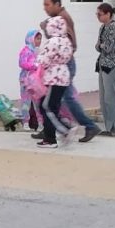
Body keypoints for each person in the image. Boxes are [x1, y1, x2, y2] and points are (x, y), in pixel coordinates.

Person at [41, 0, 101, 143]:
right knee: (55, 99)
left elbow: (66, 44)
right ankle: (51, 128)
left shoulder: (62, 19)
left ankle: (85, 126)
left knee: (64, 98)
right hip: (61, 65)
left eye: (47, 4)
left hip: (61, 65)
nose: (45, 8)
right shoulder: (59, 18)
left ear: (57, 4)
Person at [37, 16, 76, 148]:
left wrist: (38, 60)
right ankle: (53, 135)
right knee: (52, 107)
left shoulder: (52, 41)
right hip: (64, 76)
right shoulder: (66, 41)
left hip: (53, 77)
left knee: (46, 106)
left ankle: (59, 133)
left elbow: (44, 60)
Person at [95, 3, 115, 137]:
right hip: (103, 65)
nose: (98, 17)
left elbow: (108, 48)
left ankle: (114, 128)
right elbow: (98, 46)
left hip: (112, 66)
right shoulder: (102, 27)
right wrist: (101, 45)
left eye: (100, 14)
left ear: (108, 14)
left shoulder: (114, 27)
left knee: (110, 98)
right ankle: (108, 127)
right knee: (103, 99)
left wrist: (101, 45)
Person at [18, 29, 42, 131]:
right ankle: (25, 122)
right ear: (31, 38)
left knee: (38, 103)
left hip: (36, 81)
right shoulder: (26, 50)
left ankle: (41, 123)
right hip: (26, 80)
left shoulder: (38, 51)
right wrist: (34, 65)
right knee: (26, 102)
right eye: (37, 38)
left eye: (40, 39)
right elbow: (22, 63)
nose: (39, 41)